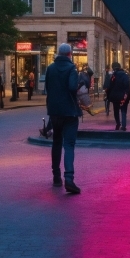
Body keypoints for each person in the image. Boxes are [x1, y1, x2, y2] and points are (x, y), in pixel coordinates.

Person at [44, 42, 81, 194]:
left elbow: (47, 88)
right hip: (69, 112)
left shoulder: (50, 68)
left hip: (54, 111)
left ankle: (56, 176)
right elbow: (73, 87)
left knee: (56, 143)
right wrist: (80, 84)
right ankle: (69, 178)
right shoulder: (72, 68)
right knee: (69, 144)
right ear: (69, 54)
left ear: (59, 54)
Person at [106, 62, 130, 130]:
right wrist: (127, 95)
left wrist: (108, 96)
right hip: (123, 97)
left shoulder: (113, 76)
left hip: (115, 96)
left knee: (116, 111)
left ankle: (118, 123)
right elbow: (127, 87)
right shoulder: (125, 76)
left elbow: (110, 86)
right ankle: (124, 125)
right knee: (123, 111)